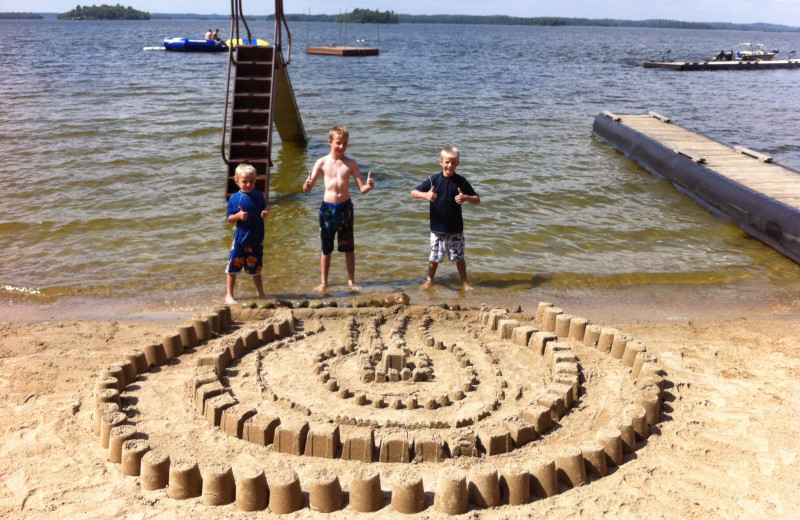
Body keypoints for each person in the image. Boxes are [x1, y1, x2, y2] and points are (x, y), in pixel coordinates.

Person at [303, 125, 374, 293]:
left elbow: (362, 189)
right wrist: (305, 185)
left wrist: (369, 187)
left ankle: (351, 281)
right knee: (326, 248)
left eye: (345, 143)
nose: (342, 147)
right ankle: (324, 283)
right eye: (338, 143)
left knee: (348, 247)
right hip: (327, 209)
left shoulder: (351, 163)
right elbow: (308, 190)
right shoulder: (321, 162)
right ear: (330, 142)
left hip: (345, 208)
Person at [410, 146, 480, 290]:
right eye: (447, 162)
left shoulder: (461, 181)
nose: (450, 165)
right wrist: (426, 195)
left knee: (459, 258)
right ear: (441, 162)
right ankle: (429, 280)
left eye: (453, 162)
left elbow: (477, 199)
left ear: (458, 164)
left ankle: (465, 282)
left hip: (456, 229)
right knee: (434, 258)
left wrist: (466, 197)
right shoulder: (434, 180)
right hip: (437, 229)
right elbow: (413, 192)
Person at [225, 163, 270, 304]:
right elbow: (229, 219)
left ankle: (261, 293)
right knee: (233, 267)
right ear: (237, 181)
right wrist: (238, 216)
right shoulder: (235, 198)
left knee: (256, 268)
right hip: (240, 239)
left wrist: (264, 214)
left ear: (256, 180)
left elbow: (263, 211)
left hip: (256, 238)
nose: (248, 184)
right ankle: (229, 295)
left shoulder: (259, 196)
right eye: (244, 181)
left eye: (251, 181)